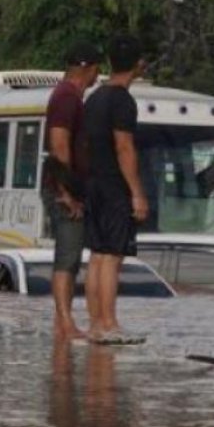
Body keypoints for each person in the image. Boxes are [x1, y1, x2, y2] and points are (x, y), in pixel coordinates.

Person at [83, 35, 148, 344]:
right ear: (139, 65)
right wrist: (136, 192)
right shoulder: (123, 101)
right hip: (113, 186)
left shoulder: (93, 97)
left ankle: (96, 323)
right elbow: (124, 148)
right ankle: (109, 324)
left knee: (97, 255)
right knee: (112, 256)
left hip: (92, 184)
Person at [43, 42, 100, 342]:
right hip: (63, 189)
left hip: (65, 185)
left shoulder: (68, 97)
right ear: (89, 69)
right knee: (67, 257)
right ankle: (65, 323)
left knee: (71, 255)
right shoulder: (67, 97)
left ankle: (61, 323)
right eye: (96, 70)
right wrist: (66, 192)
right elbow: (59, 144)